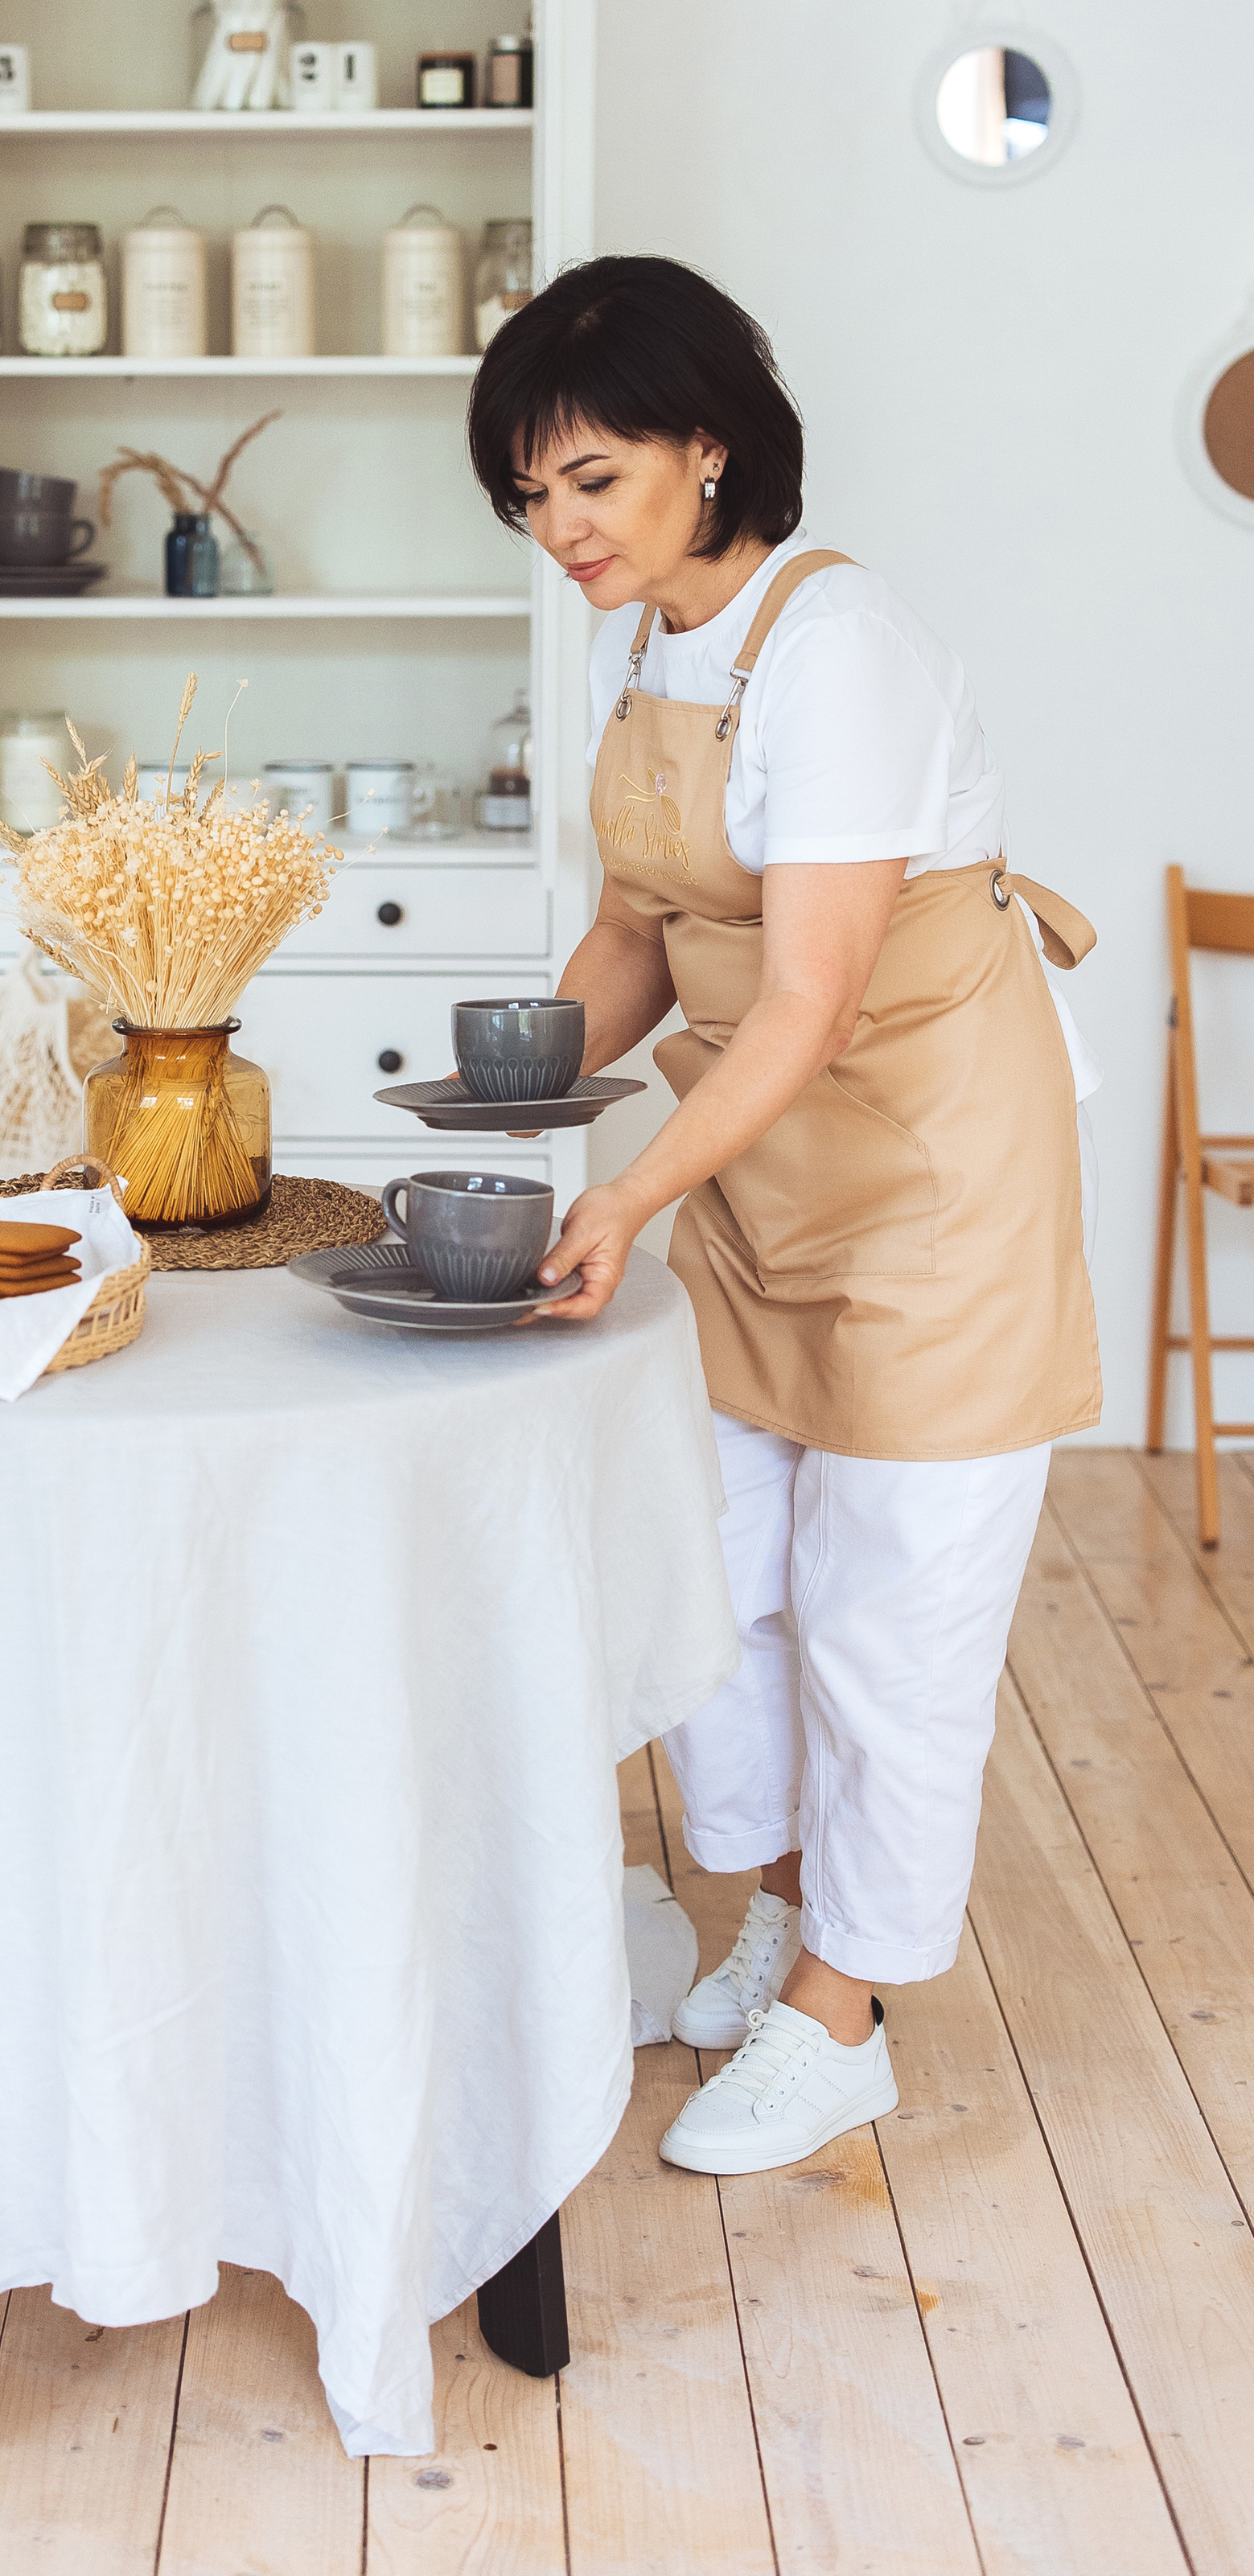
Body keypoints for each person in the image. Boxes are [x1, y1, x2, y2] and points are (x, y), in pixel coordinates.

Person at [467, 254, 1100, 2178]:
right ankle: (778, 1917)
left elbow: (811, 992)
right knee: (711, 1567)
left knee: (885, 1614)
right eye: (526, 492)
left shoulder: (840, 652)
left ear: (704, 452)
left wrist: (621, 1193)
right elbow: (638, 933)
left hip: (927, 1176)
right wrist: (504, 1089)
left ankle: (845, 2013)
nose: (553, 527)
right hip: (755, 1165)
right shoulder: (635, 645)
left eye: (587, 480)